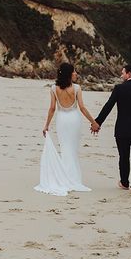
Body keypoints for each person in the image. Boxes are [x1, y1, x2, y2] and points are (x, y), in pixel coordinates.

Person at [34, 63, 98, 196]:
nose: (76, 74)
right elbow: (82, 107)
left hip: (61, 119)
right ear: (69, 74)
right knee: (72, 149)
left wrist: (46, 125)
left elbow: (52, 108)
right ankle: (72, 178)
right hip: (74, 119)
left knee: (65, 148)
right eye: (74, 72)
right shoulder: (76, 88)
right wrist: (93, 122)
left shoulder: (53, 88)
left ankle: (64, 177)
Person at [92, 64, 131, 195]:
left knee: (123, 156)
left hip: (122, 129)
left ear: (129, 74)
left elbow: (108, 106)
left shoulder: (119, 89)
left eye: (123, 73)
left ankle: (125, 183)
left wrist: (97, 122)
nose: (121, 75)